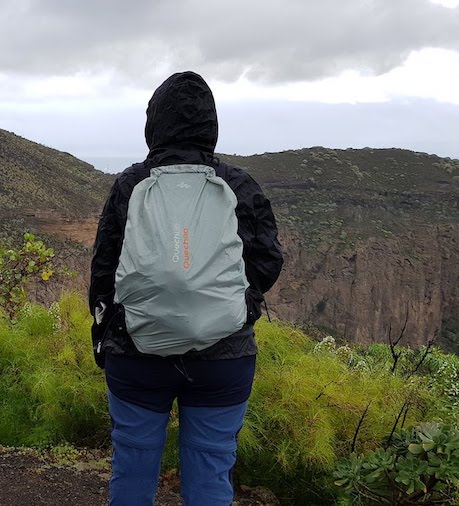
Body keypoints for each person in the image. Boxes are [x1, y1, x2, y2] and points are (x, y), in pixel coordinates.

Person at [89, 71, 284, 505]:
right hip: (224, 357)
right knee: (212, 471)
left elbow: (104, 268)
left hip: (137, 354)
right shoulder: (239, 184)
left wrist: (105, 331)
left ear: (154, 121)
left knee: (133, 469)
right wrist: (241, 308)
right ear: (210, 123)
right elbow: (267, 260)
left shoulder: (130, 184)